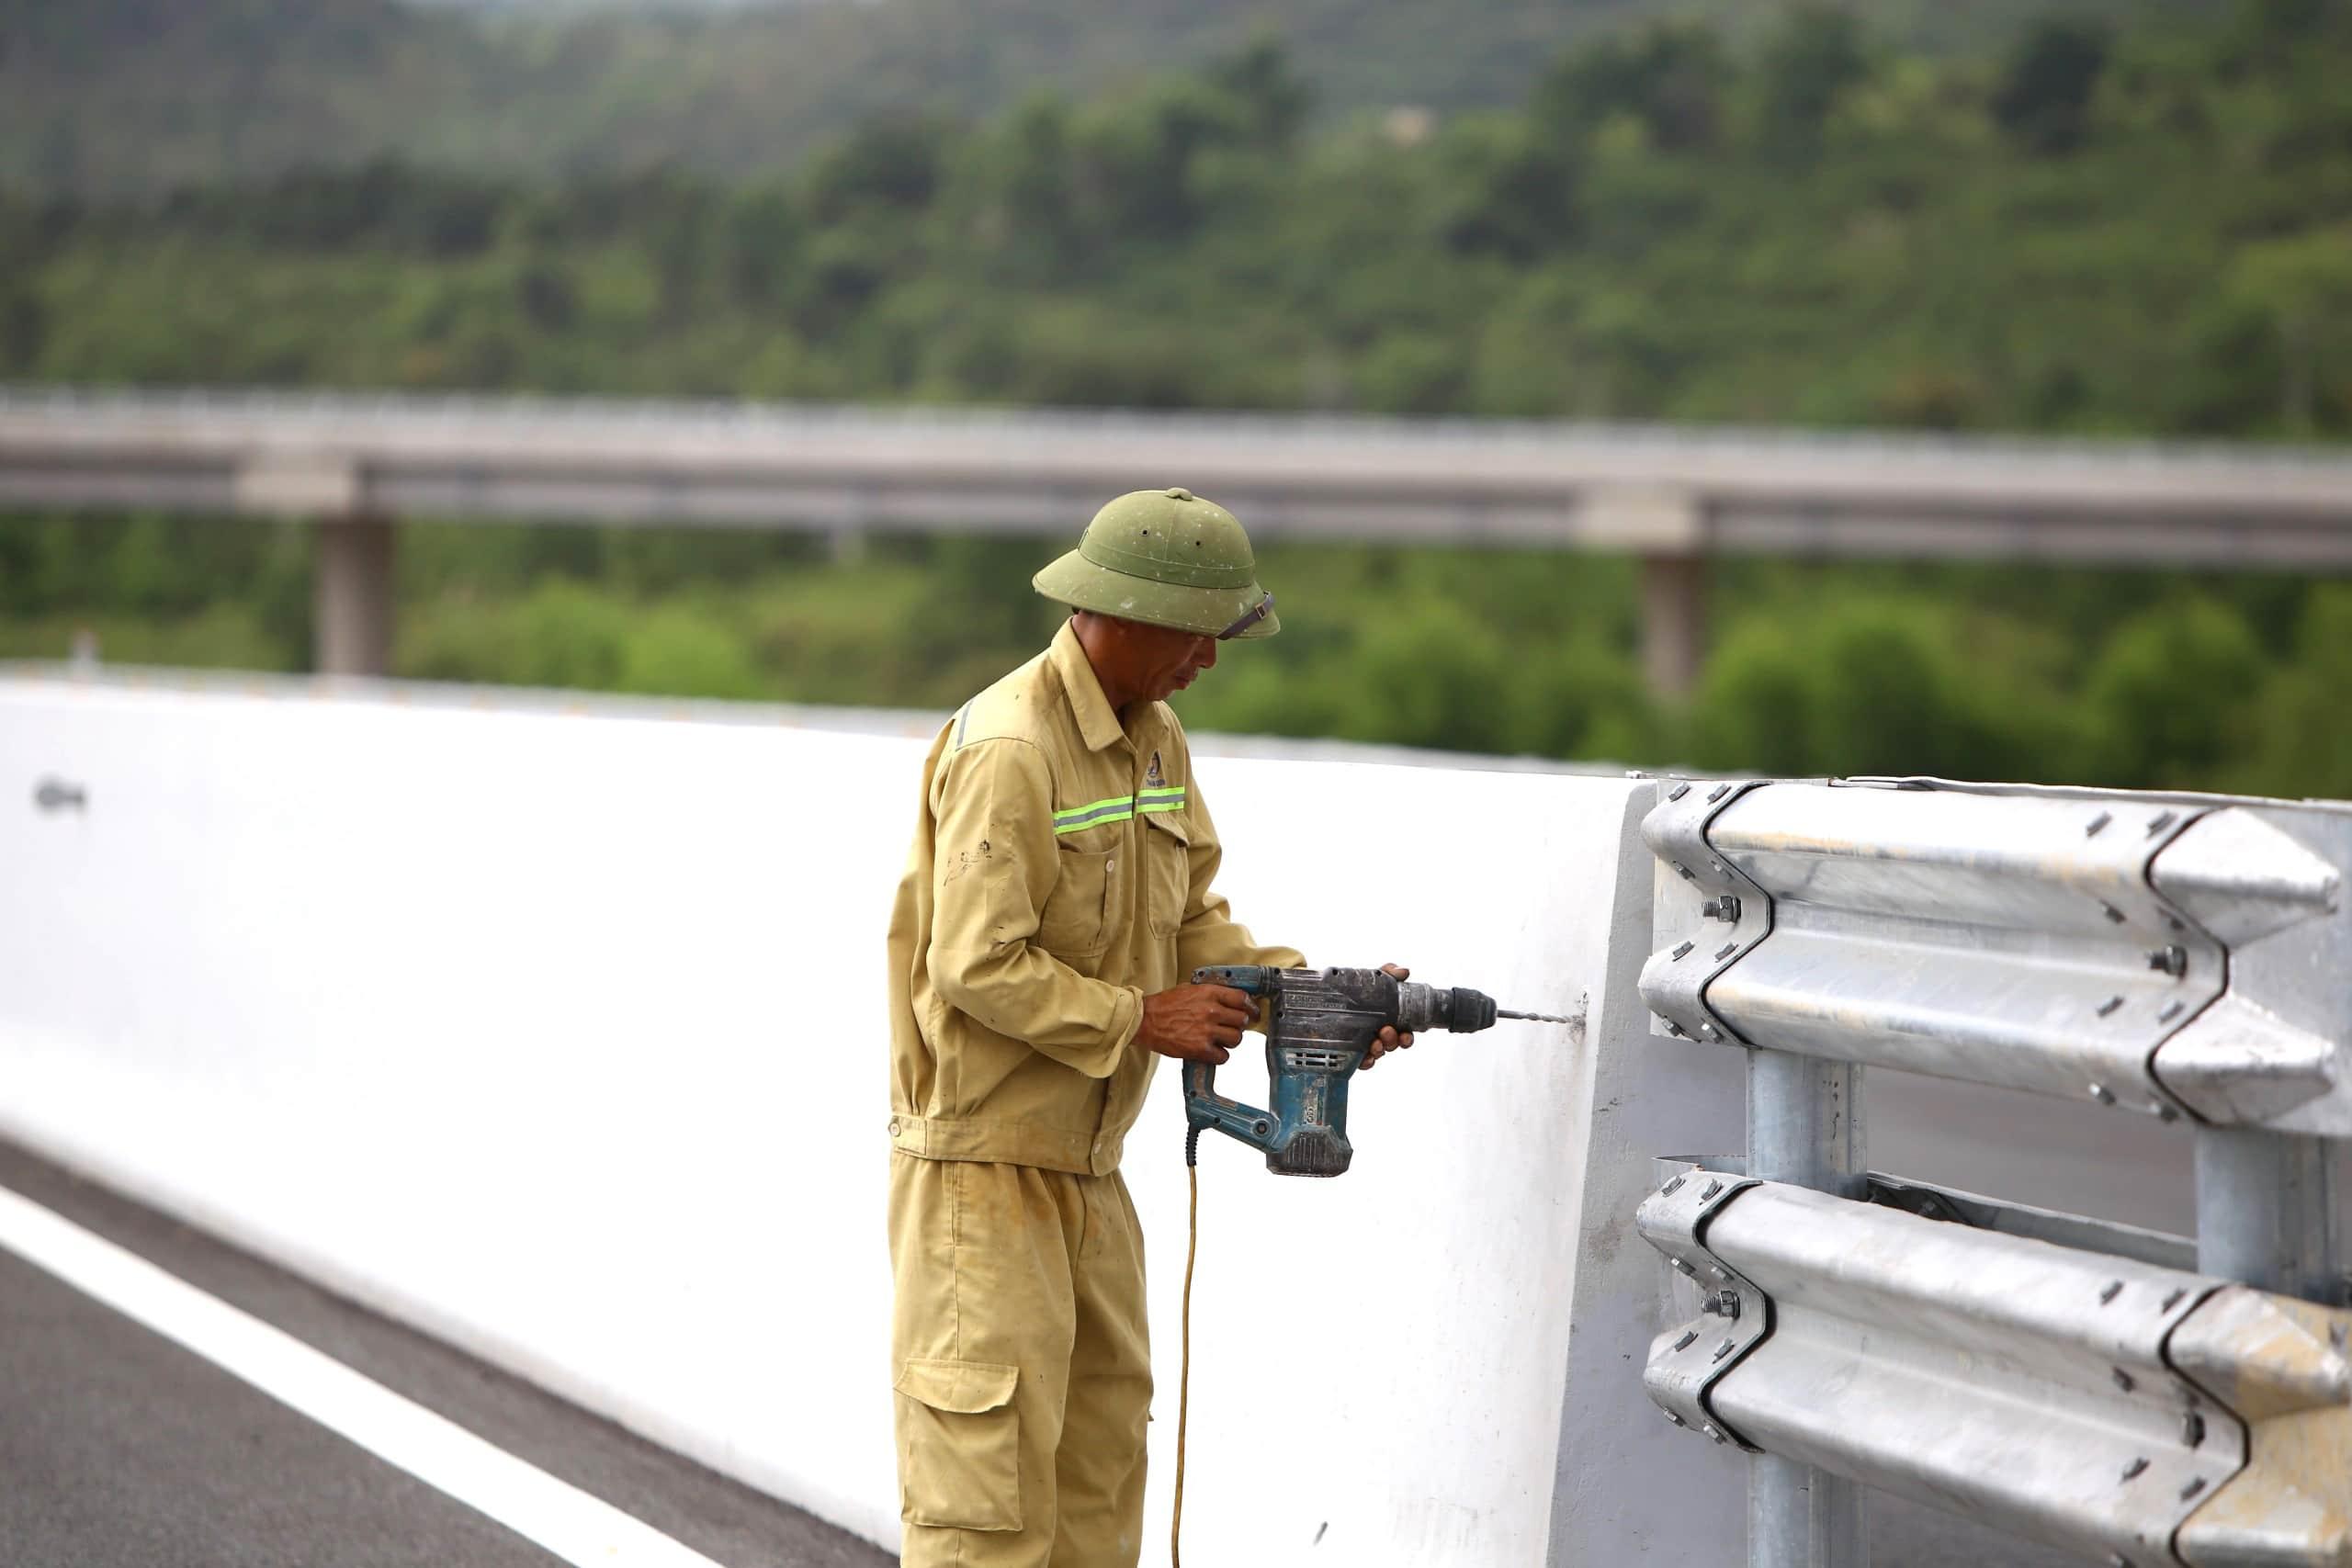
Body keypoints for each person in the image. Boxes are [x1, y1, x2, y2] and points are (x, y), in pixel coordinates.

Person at [883, 487, 1412, 1566]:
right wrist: (1139, 1019)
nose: (1208, 663)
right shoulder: (1008, 749)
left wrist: (1304, 999)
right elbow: (975, 962)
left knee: (1096, 1482)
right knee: (986, 1511)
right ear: (1119, 616)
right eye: (1198, 636)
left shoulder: (1154, 738)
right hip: (982, 1185)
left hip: (1090, 1172)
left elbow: (1192, 925)